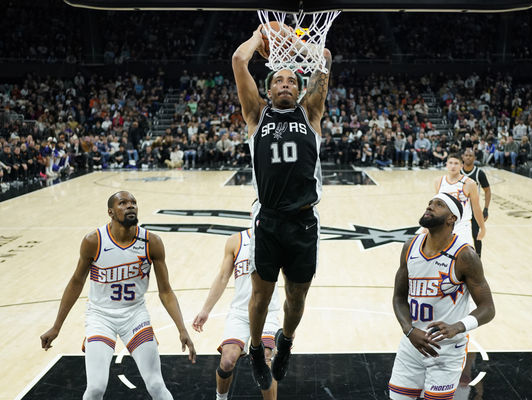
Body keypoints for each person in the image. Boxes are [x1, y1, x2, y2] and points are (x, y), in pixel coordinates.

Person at [232, 27, 331, 389]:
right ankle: (257, 348)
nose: (286, 84)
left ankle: (286, 340)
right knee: (262, 293)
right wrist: (260, 35)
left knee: (297, 295)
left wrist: (291, 39)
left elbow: (326, 58)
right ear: (269, 89)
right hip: (269, 220)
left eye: (293, 80)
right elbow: (239, 60)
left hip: (304, 220)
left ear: (300, 89)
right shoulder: (257, 116)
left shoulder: (311, 113)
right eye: (279, 81)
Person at [40, 191, 196, 399]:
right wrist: (57, 326)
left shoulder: (152, 242)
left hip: (135, 316)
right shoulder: (93, 241)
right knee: (95, 388)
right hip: (100, 317)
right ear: (111, 212)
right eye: (123, 203)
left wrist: (182, 328)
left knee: (157, 384)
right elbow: (76, 283)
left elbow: (166, 291)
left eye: (133, 202)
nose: (130, 206)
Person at [388, 193, 495, 400]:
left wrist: (458, 326)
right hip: (412, 345)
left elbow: (488, 308)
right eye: (429, 203)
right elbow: (398, 298)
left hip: (446, 351)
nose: (430, 206)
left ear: (451, 218)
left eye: (438, 205)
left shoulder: (465, 255)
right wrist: (409, 330)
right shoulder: (410, 246)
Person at [192, 225, 280, 400]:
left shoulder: (278, 238)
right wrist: (205, 310)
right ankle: (221, 398)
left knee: (265, 358)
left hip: (267, 312)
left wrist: (289, 329)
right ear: (252, 214)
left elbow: (291, 277)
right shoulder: (235, 241)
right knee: (227, 361)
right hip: (240, 313)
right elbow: (223, 277)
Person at [434, 153, 486, 246]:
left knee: (465, 258)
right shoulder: (439, 181)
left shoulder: (470, 183)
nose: (453, 166)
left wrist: (482, 228)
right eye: (450, 163)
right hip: (444, 225)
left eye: (456, 163)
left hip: (462, 226)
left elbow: (476, 208)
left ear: (461, 166)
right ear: (446, 165)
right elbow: (437, 206)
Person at [460, 148, 491, 257]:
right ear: (463, 157)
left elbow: (487, 190)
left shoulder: (479, 173)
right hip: (460, 209)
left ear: (474, 158)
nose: (468, 157)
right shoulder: (458, 172)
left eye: (470, 155)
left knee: (476, 234)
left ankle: (478, 259)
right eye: (466, 155)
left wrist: (486, 209)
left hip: (473, 209)